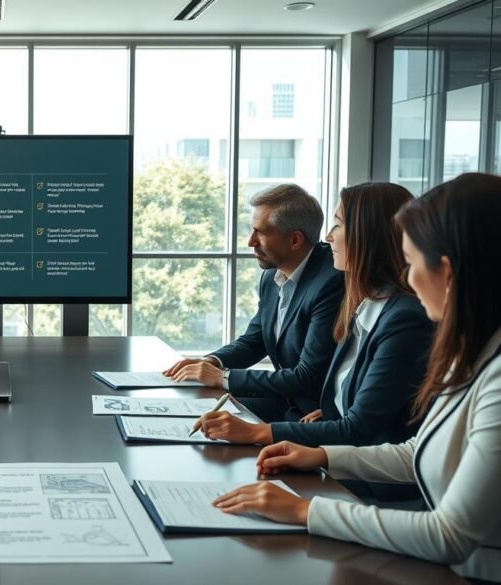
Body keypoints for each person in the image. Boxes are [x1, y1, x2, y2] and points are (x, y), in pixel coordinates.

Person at [212, 173, 501, 582]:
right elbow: (414, 451)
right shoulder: (470, 356)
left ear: (448, 273)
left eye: (414, 263)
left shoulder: (488, 373)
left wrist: (303, 510)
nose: (411, 281)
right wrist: (323, 454)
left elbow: (449, 536)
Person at [196, 182, 432, 448]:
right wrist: (211, 363)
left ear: (367, 235)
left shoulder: (398, 315)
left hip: (359, 466)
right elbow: (257, 340)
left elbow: (358, 427)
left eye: (337, 225)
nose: (328, 237)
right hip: (317, 422)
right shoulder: (365, 302)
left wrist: (257, 430)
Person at [165, 184, 345, 421]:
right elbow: (255, 340)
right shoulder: (271, 275)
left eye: (259, 232)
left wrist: (222, 378)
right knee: (192, 413)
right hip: (283, 399)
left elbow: (307, 377)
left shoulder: (331, 282)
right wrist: (211, 362)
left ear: (295, 240)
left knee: (213, 425)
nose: (251, 242)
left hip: (312, 412)